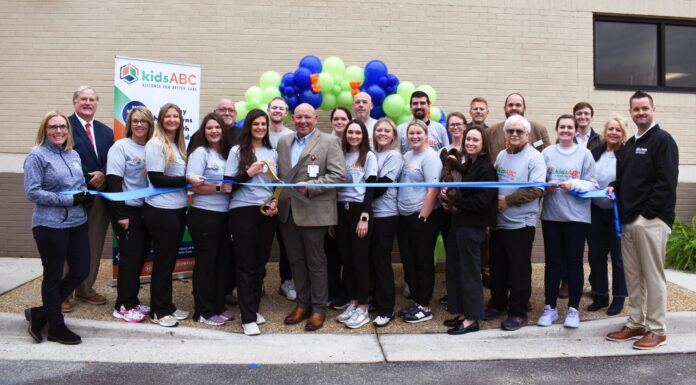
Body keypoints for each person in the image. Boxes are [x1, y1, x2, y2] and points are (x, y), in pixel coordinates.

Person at [606, 91, 679, 350]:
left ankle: (657, 330)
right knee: (634, 276)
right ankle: (636, 322)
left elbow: (667, 182)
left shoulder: (662, 140)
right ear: (631, 112)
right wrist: (615, 185)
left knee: (653, 276)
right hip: (628, 221)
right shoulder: (628, 146)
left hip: (650, 220)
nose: (640, 113)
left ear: (653, 109)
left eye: (644, 108)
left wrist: (647, 214)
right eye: (636, 109)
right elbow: (627, 178)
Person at [24, 111, 92, 344]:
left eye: (63, 126)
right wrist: (68, 200)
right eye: (53, 127)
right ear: (45, 129)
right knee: (53, 276)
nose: (59, 131)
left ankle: (41, 312)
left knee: (81, 269)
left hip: (77, 222)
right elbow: (32, 192)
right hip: (50, 225)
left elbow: (78, 185)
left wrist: (85, 194)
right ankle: (55, 326)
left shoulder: (73, 154)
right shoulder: (37, 156)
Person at [277, 103, 345, 332]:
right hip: (288, 212)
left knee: (316, 263)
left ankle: (318, 309)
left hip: (314, 211)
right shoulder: (284, 142)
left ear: (315, 119)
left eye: (307, 117)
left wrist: (311, 187)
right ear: (293, 119)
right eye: (298, 117)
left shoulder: (329, 141)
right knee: (296, 261)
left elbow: (338, 176)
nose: (303, 121)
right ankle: (302, 304)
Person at [143, 103, 204, 327]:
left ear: (180, 120)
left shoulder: (177, 146)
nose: (171, 120)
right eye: (167, 116)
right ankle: (158, 311)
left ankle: (166, 305)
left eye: (175, 116)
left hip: (177, 210)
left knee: (168, 262)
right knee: (163, 262)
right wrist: (187, 180)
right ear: (160, 120)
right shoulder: (156, 144)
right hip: (161, 211)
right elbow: (157, 178)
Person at [484, 115, 546, 331]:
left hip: (521, 224)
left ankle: (518, 312)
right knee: (498, 267)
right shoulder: (502, 155)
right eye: (511, 131)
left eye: (519, 131)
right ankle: (498, 303)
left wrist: (507, 201)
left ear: (527, 134)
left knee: (519, 270)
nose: (515, 134)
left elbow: (538, 188)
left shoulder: (535, 157)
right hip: (498, 223)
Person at [536, 115, 598, 329]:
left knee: (574, 262)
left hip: (577, 218)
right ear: (556, 129)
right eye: (562, 127)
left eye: (569, 127)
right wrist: (547, 186)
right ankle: (550, 308)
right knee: (552, 263)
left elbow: (592, 184)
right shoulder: (546, 153)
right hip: (552, 216)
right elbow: (537, 182)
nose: (565, 130)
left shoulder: (585, 154)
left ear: (575, 130)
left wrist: (574, 184)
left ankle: (573, 309)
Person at [224, 109, 279, 336]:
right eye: (255, 124)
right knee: (246, 264)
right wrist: (249, 172)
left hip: (266, 212)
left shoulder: (272, 151)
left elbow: (277, 184)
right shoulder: (238, 150)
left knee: (259, 264)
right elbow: (228, 186)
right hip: (242, 211)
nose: (260, 127)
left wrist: (275, 202)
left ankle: (253, 309)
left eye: (263, 124)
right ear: (249, 126)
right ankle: (247, 318)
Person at [442, 125, 497, 335]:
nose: (470, 143)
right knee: (455, 269)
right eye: (468, 140)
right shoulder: (470, 164)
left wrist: (456, 201)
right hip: (459, 224)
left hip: (472, 227)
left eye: (475, 140)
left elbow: (483, 201)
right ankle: (462, 313)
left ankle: (472, 319)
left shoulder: (486, 168)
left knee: (469, 273)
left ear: (483, 145)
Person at [66, 85, 113, 311]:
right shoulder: (63, 126)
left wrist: (103, 173)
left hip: (99, 197)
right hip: (74, 196)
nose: (87, 103)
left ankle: (85, 288)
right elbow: (64, 155)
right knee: (69, 244)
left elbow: (112, 157)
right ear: (75, 102)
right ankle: (63, 292)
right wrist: (88, 176)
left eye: (92, 99)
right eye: (83, 99)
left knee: (93, 242)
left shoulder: (106, 131)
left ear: (96, 103)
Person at [106, 106, 154, 323]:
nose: (139, 125)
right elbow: (113, 182)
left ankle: (132, 300)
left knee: (140, 257)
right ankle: (122, 305)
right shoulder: (121, 147)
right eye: (135, 121)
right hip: (128, 212)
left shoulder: (153, 148)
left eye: (143, 121)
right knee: (129, 258)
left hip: (148, 210)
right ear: (129, 124)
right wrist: (121, 214)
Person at [186, 113, 233, 326]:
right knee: (205, 264)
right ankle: (203, 311)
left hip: (224, 215)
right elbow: (192, 185)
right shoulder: (200, 153)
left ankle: (217, 306)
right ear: (204, 132)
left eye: (218, 128)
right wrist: (218, 187)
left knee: (220, 263)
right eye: (209, 128)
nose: (214, 131)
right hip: (204, 215)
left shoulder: (224, 155)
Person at [333, 120, 378, 329]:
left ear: (363, 135)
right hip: (342, 209)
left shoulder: (368, 156)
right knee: (347, 258)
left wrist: (365, 217)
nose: (353, 136)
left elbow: (370, 189)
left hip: (360, 209)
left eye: (357, 132)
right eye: (350, 132)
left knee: (360, 259)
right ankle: (352, 301)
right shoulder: (340, 154)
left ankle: (363, 307)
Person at [397, 119, 443, 323]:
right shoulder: (407, 155)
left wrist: (422, 216)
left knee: (423, 261)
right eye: (411, 133)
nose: (414, 136)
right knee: (409, 261)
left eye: (418, 133)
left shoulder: (431, 158)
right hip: (404, 215)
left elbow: (433, 189)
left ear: (427, 135)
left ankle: (425, 306)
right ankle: (416, 300)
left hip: (422, 216)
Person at [587, 116, 628, 315]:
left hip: (616, 213)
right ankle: (600, 294)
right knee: (596, 255)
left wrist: (615, 188)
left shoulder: (627, 154)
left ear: (623, 134)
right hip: (595, 211)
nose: (613, 132)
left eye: (618, 130)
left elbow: (628, 181)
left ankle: (619, 296)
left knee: (618, 257)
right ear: (604, 132)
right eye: (610, 129)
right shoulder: (595, 152)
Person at [369, 118, 403, 327]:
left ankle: (386, 309)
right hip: (371, 214)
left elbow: (381, 186)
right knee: (371, 260)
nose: (382, 133)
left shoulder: (394, 156)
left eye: (386, 131)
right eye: (378, 130)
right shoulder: (372, 154)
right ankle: (375, 300)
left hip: (386, 215)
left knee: (381, 262)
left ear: (393, 135)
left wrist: (358, 197)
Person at [266, 96, 296, 301]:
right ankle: (257, 282)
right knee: (261, 242)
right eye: (274, 107)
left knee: (287, 243)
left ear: (286, 114)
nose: (277, 111)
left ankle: (287, 280)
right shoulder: (259, 132)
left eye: (281, 108)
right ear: (268, 110)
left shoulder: (292, 136)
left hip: (285, 198)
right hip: (261, 197)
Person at [437, 112, 468, 306]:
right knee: (451, 250)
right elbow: (441, 174)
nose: (455, 127)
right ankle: (452, 292)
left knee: (464, 251)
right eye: (452, 124)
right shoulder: (443, 149)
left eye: (458, 124)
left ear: (465, 126)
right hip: (446, 205)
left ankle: (466, 292)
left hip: (464, 206)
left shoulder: (470, 148)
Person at [326, 107, 352, 310]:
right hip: (329, 203)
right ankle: (332, 291)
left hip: (350, 205)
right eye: (336, 118)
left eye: (344, 118)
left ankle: (346, 293)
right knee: (331, 252)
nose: (340, 121)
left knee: (348, 252)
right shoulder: (326, 141)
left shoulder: (355, 144)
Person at [486, 92, 550, 162]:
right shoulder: (491, 132)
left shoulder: (539, 130)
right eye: (510, 105)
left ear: (524, 108)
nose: (514, 108)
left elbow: (547, 157)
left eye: (518, 105)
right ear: (505, 108)